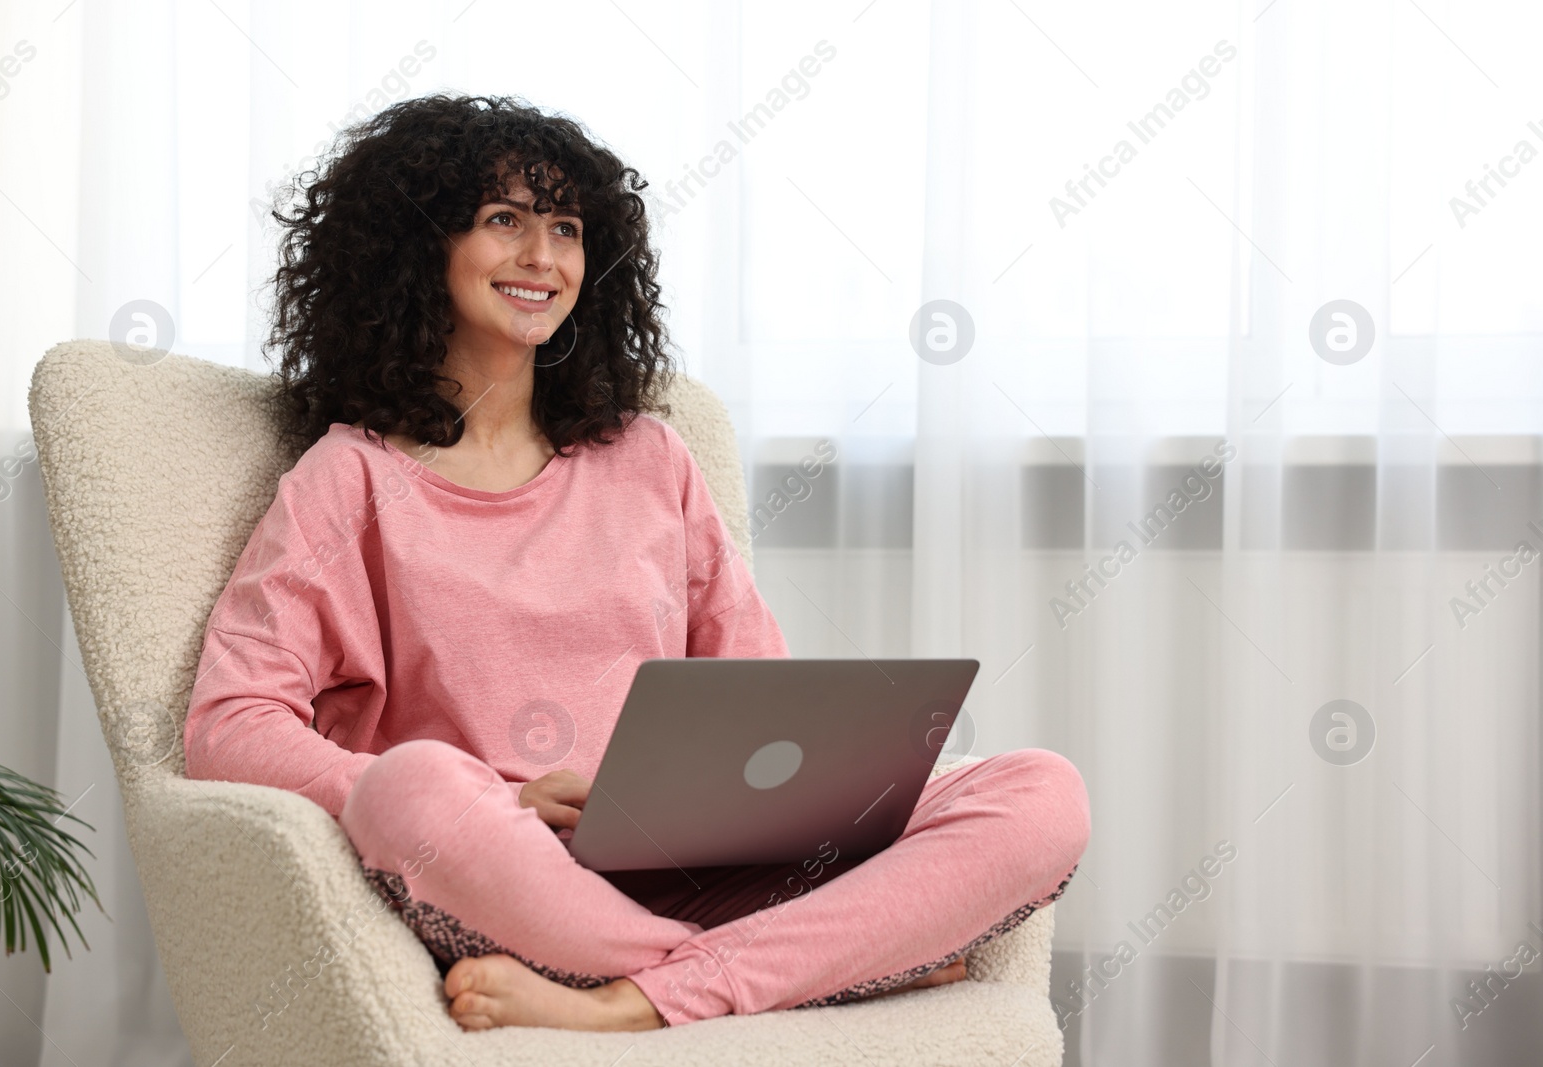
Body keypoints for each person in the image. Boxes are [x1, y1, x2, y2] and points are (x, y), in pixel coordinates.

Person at [183, 93, 1089, 1033]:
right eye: (505, 222)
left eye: (566, 228)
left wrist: (782, 799)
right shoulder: (350, 479)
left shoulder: (650, 458)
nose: (543, 257)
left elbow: (755, 692)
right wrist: (500, 796)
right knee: (408, 784)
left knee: (1040, 789)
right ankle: (817, 966)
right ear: (417, 250)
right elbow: (229, 725)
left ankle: (647, 997)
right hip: (522, 869)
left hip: (718, 856)